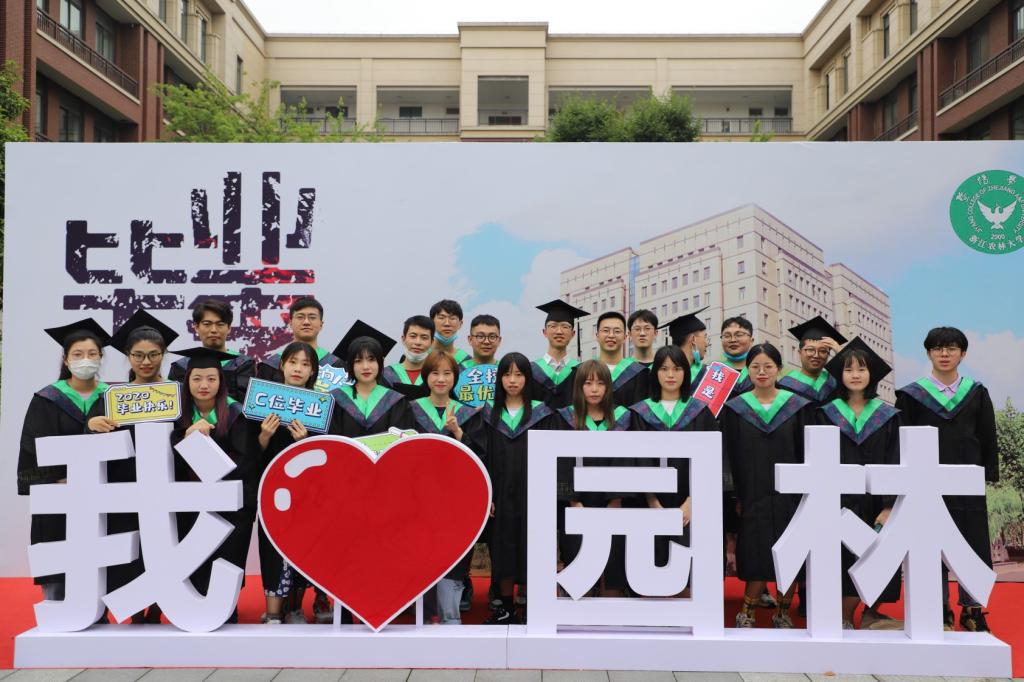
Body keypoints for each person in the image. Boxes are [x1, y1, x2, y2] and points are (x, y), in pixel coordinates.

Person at [895, 326, 998, 633]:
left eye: (951, 348)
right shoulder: (912, 395)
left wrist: (988, 473)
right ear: (928, 353)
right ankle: (939, 609)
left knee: (972, 543)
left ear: (962, 354)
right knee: (930, 543)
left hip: (967, 481)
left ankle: (973, 609)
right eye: (937, 348)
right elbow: (902, 440)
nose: (944, 354)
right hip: (925, 483)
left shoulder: (977, 393)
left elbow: (987, 435)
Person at [86, 309, 180, 624]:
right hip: (126, 486)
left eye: (153, 355)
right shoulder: (112, 397)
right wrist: (92, 425)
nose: (146, 362)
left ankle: (162, 606)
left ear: (164, 355)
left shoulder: (176, 394)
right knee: (130, 546)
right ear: (128, 356)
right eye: (138, 355)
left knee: (166, 545)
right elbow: (94, 436)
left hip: (168, 484)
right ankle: (134, 608)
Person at [17, 318, 111, 607]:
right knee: (58, 554)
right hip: (60, 495)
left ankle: (98, 613)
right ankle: (58, 610)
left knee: (101, 559)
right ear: (66, 359)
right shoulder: (47, 399)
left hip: (102, 495)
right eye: (78, 354)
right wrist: (55, 481)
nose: (85, 360)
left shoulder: (112, 396)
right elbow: (32, 447)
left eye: (92, 354)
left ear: (101, 357)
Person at [722, 343, 813, 629]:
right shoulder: (736, 409)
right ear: (748, 371)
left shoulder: (797, 406)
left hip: (791, 495)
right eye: (755, 367)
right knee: (757, 549)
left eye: (768, 366)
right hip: (752, 494)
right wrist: (736, 495)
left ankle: (783, 613)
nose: (762, 372)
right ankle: (747, 612)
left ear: (779, 369)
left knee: (791, 551)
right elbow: (729, 454)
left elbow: (806, 452)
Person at [818, 337, 902, 631]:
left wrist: (889, 505)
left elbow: (895, 460)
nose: (855, 375)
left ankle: (869, 613)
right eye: (848, 369)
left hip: (875, 501)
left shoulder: (888, 416)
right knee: (840, 558)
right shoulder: (824, 413)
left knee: (875, 554)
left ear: (871, 374)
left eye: (861, 369)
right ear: (839, 375)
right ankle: (841, 616)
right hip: (837, 499)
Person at [170, 346, 256, 623]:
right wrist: (184, 436)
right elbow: (165, 459)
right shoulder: (178, 415)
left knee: (227, 556)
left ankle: (226, 607)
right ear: (187, 382)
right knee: (192, 556)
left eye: (211, 378)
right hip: (188, 502)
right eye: (196, 379)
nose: (204, 385)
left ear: (221, 381)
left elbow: (246, 460)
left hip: (228, 504)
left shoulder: (236, 413)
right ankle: (192, 606)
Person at [406, 351, 484, 624]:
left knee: (453, 553)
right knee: (422, 552)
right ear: (426, 377)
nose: (441, 379)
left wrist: (459, 432)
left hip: (455, 498)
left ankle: (451, 616)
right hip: (419, 497)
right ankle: (425, 615)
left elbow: (480, 458)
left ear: (455, 378)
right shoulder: (410, 409)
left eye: (447, 374)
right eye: (435, 373)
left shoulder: (467, 414)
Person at [629, 345, 718, 580]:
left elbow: (710, 461)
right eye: (664, 369)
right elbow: (639, 459)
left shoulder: (700, 412)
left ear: (685, 373)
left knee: (690, 572)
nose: (670, 375)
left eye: (677, 369)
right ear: (655, 373)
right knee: (652, 571)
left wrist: (691, 502)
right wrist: (652, 501)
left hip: (691, 504)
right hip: (650, 504)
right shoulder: (641, 413)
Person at [479, 352, 555, 624]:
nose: (512, 380)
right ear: (499, 379)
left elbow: (552, 457)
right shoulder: (488, 414)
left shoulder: (542, 413)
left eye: (519, 374)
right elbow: (482, 456)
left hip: (532, 495)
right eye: (507, 374)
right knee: (503, 548)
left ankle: (534, 607)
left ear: (527, 378)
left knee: (532, 547)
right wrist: (487, 495)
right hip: (500, 495)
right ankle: (506, 608)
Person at [555, 360, 632, 598]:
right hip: (577, 502)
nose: (594, 389)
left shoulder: (623, 418)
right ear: (579, 387)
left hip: (613, 503)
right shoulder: (566, 419)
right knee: (579, 565)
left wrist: (616, 498)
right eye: (588, 383)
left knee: (613, 565)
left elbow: (625, 460)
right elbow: (562, 463)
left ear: (609, 387)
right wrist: (572, 500)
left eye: (600, 383)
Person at [254, 341, 318, 624]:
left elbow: (324, 456)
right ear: (282, 365)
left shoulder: (319, 407)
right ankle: (272, 612)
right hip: (273, 489)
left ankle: (295, 608)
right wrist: (264, 436)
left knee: (302, 545)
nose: (298, 369)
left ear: (313, 371)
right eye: (293, 362)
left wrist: (305, 442)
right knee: (272, 548)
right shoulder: (264, 401)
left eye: (305, 364)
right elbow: (251, 453)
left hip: (305, 493)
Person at [329, 320, 411, 438]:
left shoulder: (395, 401)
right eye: (358, 361)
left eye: (371, 360)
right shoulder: (336, 399)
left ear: (380, 362)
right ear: (350, 365)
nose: (365, 367)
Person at [168, 299, 255, 402]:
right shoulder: (181, 367)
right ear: (196, 327)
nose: (214, 330)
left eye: (220, 324)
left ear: (229, 328)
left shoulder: (243, 365)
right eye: (207, 324)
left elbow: (248, 405)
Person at [258, 297, 342, 381]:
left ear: (321, 324)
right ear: (290, 323)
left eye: (312, 317)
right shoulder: (271, 365)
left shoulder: (336, 366)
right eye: (300, 317)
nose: (306, 322)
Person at [778, 316, 848, 406]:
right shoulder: (786, 385)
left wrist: (841, 352)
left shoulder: (834, 382)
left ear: (828, 355)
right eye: (810, 350)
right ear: (800, 352)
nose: (816, 355)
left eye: (823, 351)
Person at [531, 299, 588, 409]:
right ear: (544, 332)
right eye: (553, 326)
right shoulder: (531, 370)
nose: (559, 331)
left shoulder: (581, 371)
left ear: (573, 334)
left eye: (565, 326)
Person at [595, 311, 649, 407]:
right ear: (597, 336)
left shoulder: (640, 373)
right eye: (606, 330)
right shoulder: (582, 371)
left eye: (617, 331)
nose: (611, 335)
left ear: (625, 337)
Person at [660, 307, 711, 386]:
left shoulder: (661, 373)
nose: (707, 344)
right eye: (705, 337)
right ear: (693, 339)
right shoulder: (706, 375)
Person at [381, 315, 434, 389]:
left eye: (424, 338)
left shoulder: (437, 376)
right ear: (403, 339)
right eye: (413, 336)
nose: (418, 342)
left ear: (432, 342)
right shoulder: (386, 375)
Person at [429, 299, 472, 370]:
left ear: (460, 324)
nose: (447, 323)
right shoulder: (421, 355)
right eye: (441, 318)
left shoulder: (467, 362)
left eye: (452, 318)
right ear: (431, 322)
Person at [720, 316, 755, 396]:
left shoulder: (760, 371)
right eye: (727, 336)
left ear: (751, 340)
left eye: (739, 335)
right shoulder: (714, 371)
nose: (733, 340)